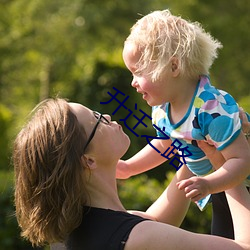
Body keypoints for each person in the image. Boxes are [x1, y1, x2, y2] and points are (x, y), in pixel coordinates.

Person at [13, 98, 250, 250]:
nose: (106, 116)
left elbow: (156, 221)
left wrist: (195, 142)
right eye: (97, 120)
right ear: (88, 160)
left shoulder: (71, 235)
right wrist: (226, 164)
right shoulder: (138, 238)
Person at [119, 9, 250, 239]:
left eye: (138, 72)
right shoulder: (162, 109)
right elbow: (166, 144)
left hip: (239, 185)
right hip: (219, 186)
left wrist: (209, 184)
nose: (133, 82)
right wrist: (129, 167)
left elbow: (242, 160)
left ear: (173, 67)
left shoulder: (210, 109)